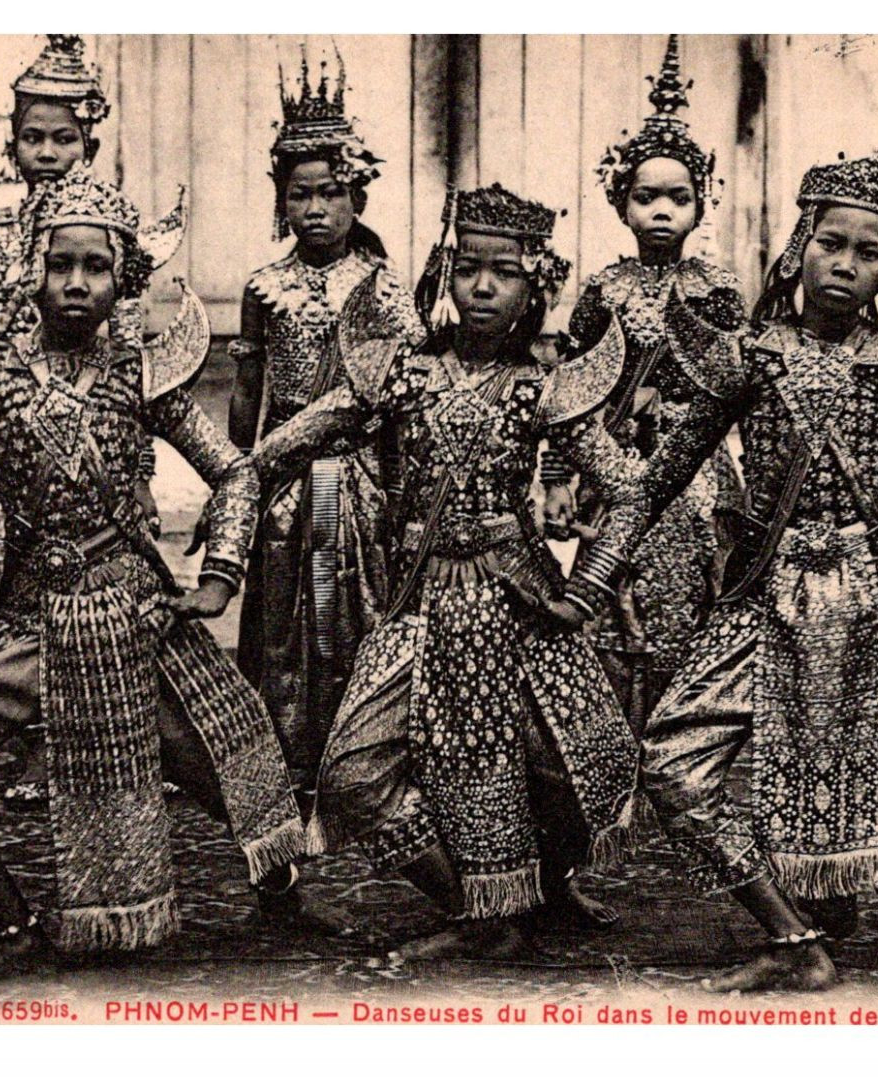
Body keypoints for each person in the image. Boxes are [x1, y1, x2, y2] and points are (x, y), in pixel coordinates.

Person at [0, 168, 330, 994]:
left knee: (233, 765)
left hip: (130, 613)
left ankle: (282, 886)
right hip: (21, 619)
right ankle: (13, 927)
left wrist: (220, 574)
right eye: (61, 265)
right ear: (31, 273)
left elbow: (234, 473)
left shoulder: (143, 374)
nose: (77, 282)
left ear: (125, 280)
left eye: (97, 266)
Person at [636, 156, 878, 992]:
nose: (844, 265)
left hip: (869, 591)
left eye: (868, 253)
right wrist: (591, 578)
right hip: (765, 593)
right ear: (797, 249)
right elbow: (660, 477)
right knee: (672, 762)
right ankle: (793, 933)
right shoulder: (747, 358)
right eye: (829, 243)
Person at [250, 183, 643, 960]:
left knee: (576, 764)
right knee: (353, 773)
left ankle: (541, 885)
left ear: (535, 285)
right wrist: (241, 507)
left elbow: (629, 490)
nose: (484, 288)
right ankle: (476, 908)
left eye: (505, 273)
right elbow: (275, 449)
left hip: (517, 596)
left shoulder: (542, 384)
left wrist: (585, 588)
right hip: (419, 603)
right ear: (443, 273)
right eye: (468, 269)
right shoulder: (401, 373)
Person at [0, 34, 184, 803]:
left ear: (90, 142)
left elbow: (131, 360)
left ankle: (63, 744)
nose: (47, 151)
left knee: (89, 595)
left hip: (90, 437)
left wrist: (133, 469)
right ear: (11, 144)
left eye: (63, 137)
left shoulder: (106, 235)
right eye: (32, 137)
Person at [229, 43, 425, 797]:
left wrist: (401, 490)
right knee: (280, 619)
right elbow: (246, 391)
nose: (314, 210)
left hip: (357, 483)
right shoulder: (263, 286)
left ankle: (357, 751)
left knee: (350, 615)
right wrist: (235, 477)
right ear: (280, 199)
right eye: (300, 194)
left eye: (331, 194)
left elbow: (399, 400)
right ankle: (283, 755)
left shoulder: (380, 285)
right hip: (279, 487)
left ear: (358, 200)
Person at [544, 35, 744, 731]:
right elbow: (569, 385)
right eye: (646, 196)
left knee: (689, 587)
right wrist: (558, 477)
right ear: (620, 202)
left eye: (678, 198)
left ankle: (678, 728)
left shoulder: (715, 289)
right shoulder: (604, 289)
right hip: (616, 457)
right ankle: (613, 725)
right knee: (614, 585)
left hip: (695, 471)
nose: (662, 211)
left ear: (700, 204)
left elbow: (738, 387)